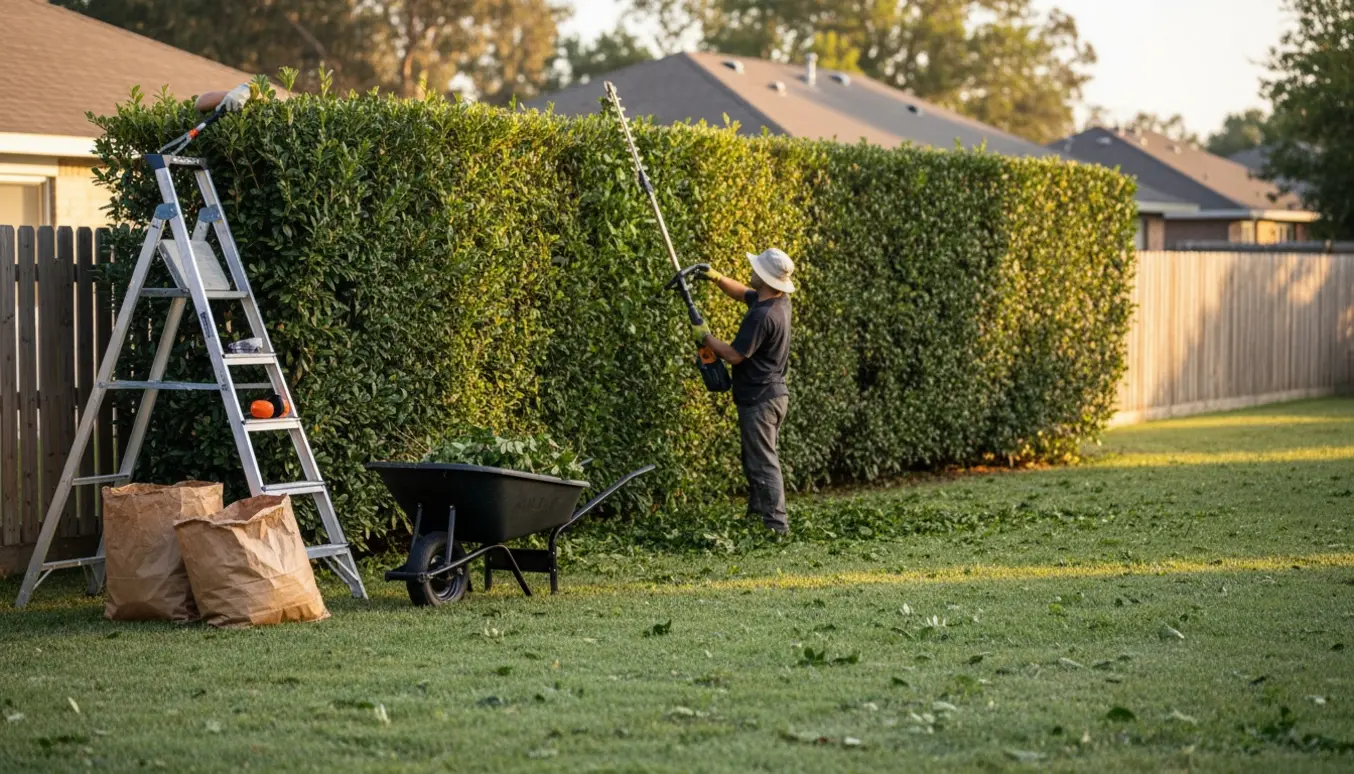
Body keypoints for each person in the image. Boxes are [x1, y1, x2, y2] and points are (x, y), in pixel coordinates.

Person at [692, 248, 795, 535]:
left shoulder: (762, 316)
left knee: (764, 461)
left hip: (761, 399)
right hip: (772, 395)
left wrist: (705, 337)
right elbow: (744, 293)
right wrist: (717, 277)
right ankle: (757, 515)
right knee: (756, 458)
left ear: (765, 277)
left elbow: (736, 355)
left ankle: (776, 526)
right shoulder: (778, 301)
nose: (752, 272)